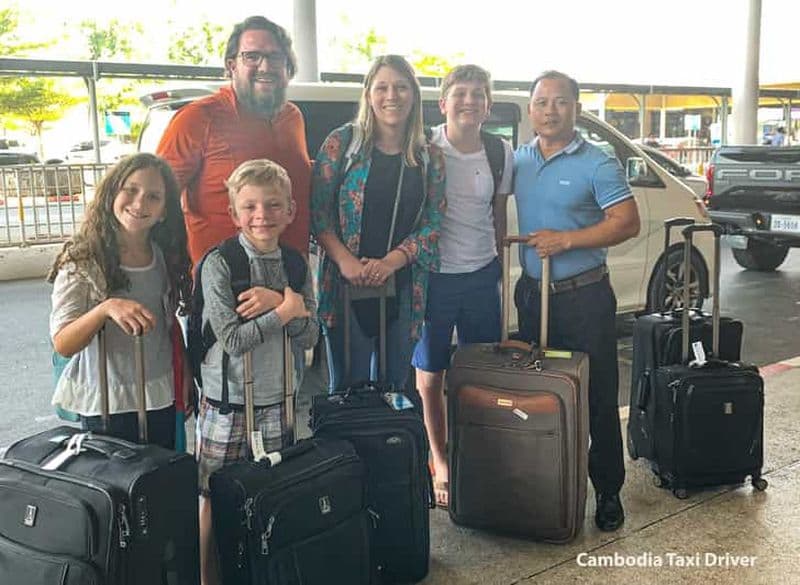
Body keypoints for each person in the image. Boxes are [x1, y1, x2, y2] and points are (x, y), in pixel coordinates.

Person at [513, 70, 640, 532]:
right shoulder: (517, 160)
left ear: (577, 109)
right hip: (531, 295)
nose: (550, 110)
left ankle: (608, 491)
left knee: (598, 395)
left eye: (560, 102)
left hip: (584, 297)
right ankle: (540, 484)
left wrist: (567, 241)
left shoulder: (597, 162)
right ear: (530, 110)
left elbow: (627, 221)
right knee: (537, 395)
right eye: (542, 102)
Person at [195, 159, 317, 585]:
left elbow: (310, 335)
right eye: (249, 207)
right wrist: (283, 309)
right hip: (227, 403)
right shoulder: (220, 263)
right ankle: (208, 577)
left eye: (272, 205)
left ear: (290, 210)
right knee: (211, 495)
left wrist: (284, 309)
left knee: (271, 493)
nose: (261, 215)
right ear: (233, 213)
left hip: (278, 399)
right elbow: (230, 339)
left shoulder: (297, 264)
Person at [410, 64, 513, 509]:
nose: (469, 101)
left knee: (478, 372)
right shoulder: (424, 146)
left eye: (478, 94)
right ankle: (440, 458)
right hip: (433, 276)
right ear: (443, 103)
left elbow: (498, 212)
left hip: (481, 273)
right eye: (460, 93)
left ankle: (477, 452)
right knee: (431, 374)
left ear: (488, 106)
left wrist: (502, 269)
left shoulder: (499, 151)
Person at [311, 54, 445, 393]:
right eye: (382, 87)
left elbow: (433, 223)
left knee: (395, 387)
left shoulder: (429, 154)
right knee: (346, 389)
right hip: (345, 285)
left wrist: (390, 262)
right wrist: (347, 262)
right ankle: (346, 448)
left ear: (414, 94)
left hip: (404, 286)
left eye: (401, 87)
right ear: (368, 93)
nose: (392, 96)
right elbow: (319, 213)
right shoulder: (342, 144)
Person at [48, 153, 193, 450]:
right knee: (113, 491)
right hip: (106, 401)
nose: (139, 203)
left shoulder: (162, 255)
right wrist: (105, 308)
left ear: (164, 211)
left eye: (153, 197)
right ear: (112, 191)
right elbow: (63, 342)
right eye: (131, 190)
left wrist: (185, 373)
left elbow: (167, 326)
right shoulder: (83, 259)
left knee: (159, 485)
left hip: (159, 393)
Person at [157, 15, 311, 268]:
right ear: (231, 66)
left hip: (290, 280)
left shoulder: (293, 117)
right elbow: (156, 198)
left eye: (275, 57)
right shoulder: (198, 118)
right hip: (225, 284)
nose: (265, 66)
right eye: (251, 56)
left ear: (288, 68)